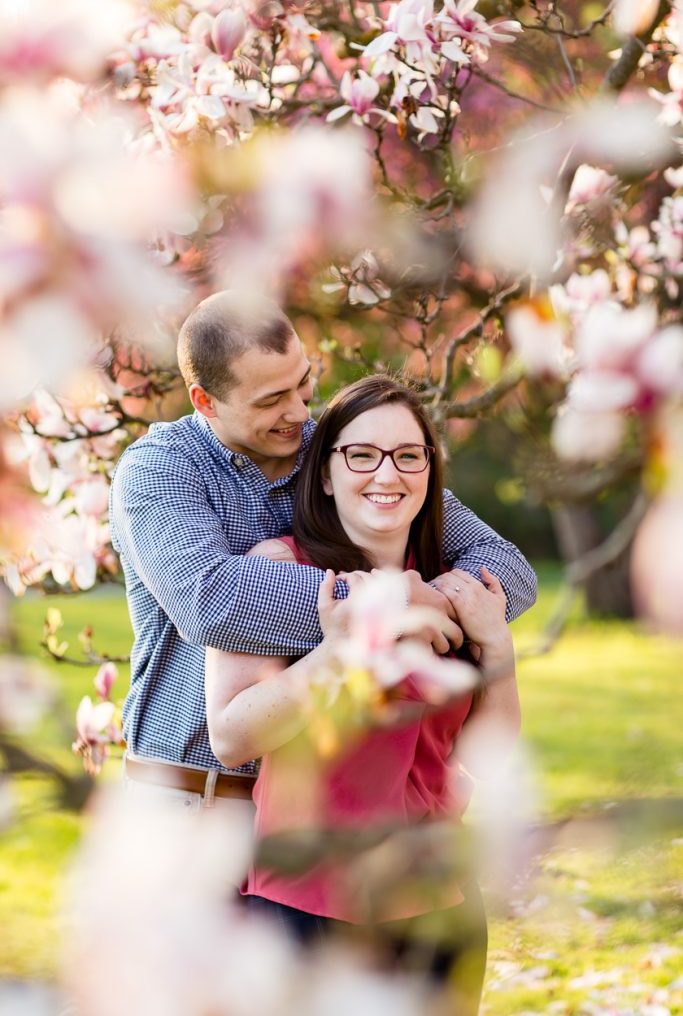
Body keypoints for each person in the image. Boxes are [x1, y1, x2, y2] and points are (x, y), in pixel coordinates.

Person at [109, 291, 535, 817]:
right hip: (190, 797)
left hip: (305, 806)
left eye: (303, 383)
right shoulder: (159, 470)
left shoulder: (337, 451)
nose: (298, 411)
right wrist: (391, 605)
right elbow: (210, 602)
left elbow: (506, 566)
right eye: (270, 400)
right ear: (205, 401)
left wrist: (430, 603)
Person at [205, 375, 521, 1013]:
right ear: (325, 474)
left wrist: (499, 648)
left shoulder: (454, 591)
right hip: (308, 901)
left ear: (429, 472)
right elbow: (232, 735)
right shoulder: (278, 570)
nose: (388, 473)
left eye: (409, 455)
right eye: (362, 454)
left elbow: (493, 751)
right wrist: (339, 653)